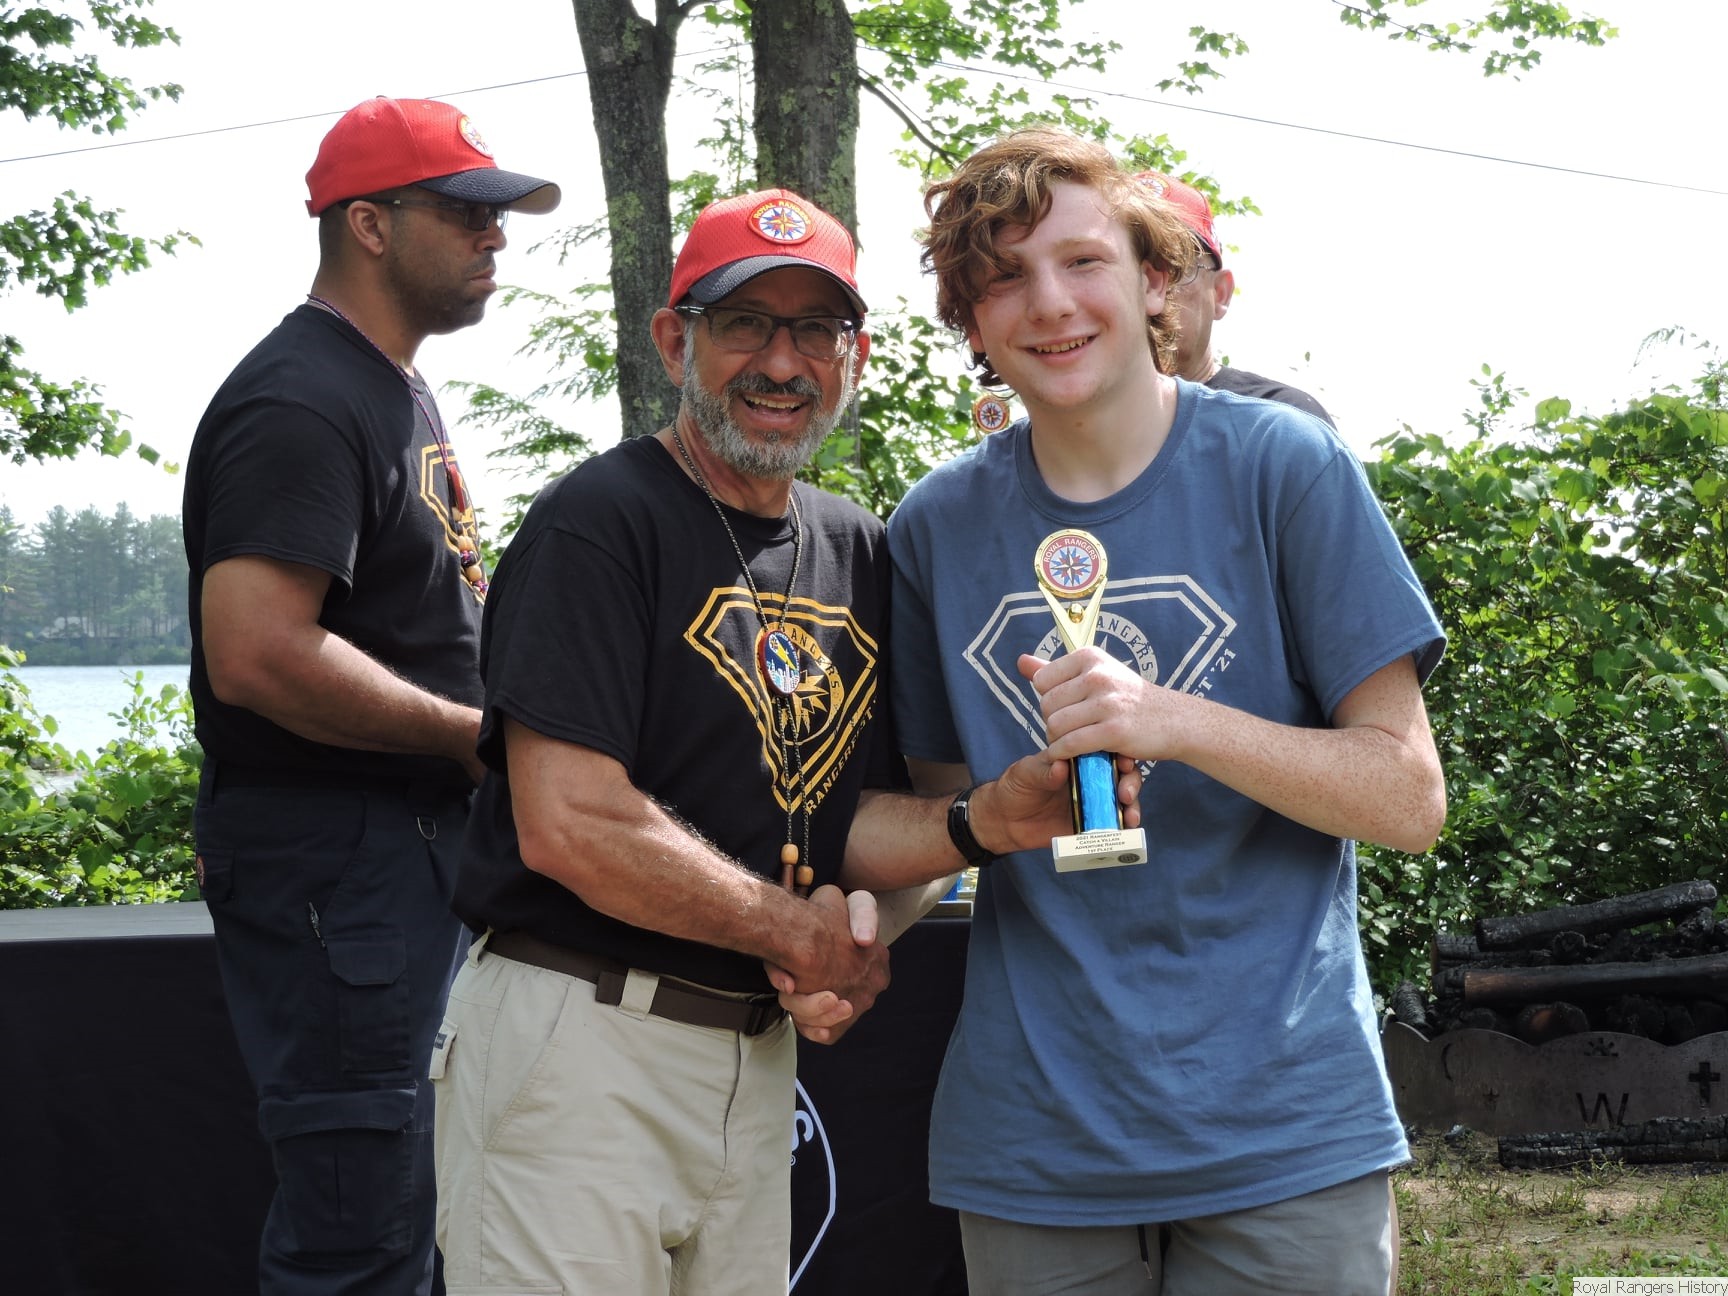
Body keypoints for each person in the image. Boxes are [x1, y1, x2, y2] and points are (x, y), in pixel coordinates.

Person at [431, 186, 1113, 1296]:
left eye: (816, 330)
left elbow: (850, 824)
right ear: (675, 342)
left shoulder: (858, 548)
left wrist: (986, 822)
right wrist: (802, 937)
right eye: (745, 323)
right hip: (579, 1040)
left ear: (856, 357)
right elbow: (570, 822)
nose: (782, 363)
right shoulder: (598, 522)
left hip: (755, 1053)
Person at [857, 128, 1447, 1294]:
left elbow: (1407, 797)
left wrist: (1173, 721)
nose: (1050, 303)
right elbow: (936, 828)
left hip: (1282, 1129)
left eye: (1084, 261)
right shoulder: (933, 527)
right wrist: (844, 928)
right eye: (1003, 279)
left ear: (1157, 282)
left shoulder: (1286, 467)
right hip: (1034, 1141)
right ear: (970, 322)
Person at [182, 96, 559, 1296]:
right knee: (362, 1237)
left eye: (498, 214)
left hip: (399, 858)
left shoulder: (384, 385)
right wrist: (471, 737)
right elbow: (256, 652)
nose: (495, 236)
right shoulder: (303, 396)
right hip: (340, 866)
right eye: (466, 212)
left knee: (416, 1222)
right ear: (370, 224)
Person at [1135, 170, 1337, 427]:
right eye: (1126, 268)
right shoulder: (1085, 427)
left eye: (1175, 268)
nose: (1150, 288)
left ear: (1220, 293)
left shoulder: (1278, 424)